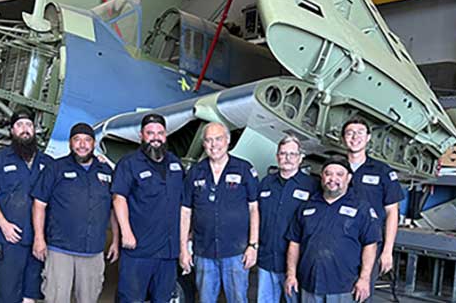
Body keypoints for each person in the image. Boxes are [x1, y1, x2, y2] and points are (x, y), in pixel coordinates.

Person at [31, 122, 120, 303]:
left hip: (93, 251)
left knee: (89, 299)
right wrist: (38, 239)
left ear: (94, 144)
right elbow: (39, 204)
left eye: (87, 140)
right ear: (70, 143)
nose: (82, 144)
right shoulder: (55, 168)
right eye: (77, 140)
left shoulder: (106, 171)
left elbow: (114, 209)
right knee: (56, 298)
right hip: (60, 250)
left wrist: (116, 241)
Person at [0, 108, 54, 303]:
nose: (25, 129)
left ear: (34, 131)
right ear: (12, 131)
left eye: (29, 125)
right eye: (20, 125)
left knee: (32, 292)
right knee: (7, 292)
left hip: (39, 239)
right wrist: (3, 224)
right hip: (10, 238)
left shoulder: (48, 163)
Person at [180, 122, 259, 303]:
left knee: (238, 299)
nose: (213, 145)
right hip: (204, 253)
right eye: (208, 140)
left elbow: (254, 209)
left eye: (218, 139)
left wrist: (253, 246)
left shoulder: (244, 169)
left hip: (236, 253)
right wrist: (183, 248)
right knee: (206, 300)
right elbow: (185, 212)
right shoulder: (195, 172)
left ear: (228, 141)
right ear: (204, 144)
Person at [284, 157, 381, 303]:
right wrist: (291, 274)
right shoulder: (307, 207)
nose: (333, 179)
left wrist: (364, 278)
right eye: (328, 174)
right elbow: (294, 243)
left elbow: (370, 244)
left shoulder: (361, 208)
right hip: (309, 285)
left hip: (344, 287)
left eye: (339, 174)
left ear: (349, 178)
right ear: (322, 176)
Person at [111, 113, 185, 303]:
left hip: (168, 252)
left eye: (160, 133)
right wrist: (126, 232)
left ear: (166, 135)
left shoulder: (176, 164)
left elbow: (185, 203)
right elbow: (119, 198)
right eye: (150, 133)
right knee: (131, 298)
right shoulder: (129, 164)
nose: (155, 138)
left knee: (163, 299)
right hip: (139, 250)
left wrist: (187, 235)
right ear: (141, 135)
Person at [342, 116, 404, 298]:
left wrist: (387, 251)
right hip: (339, 240)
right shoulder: (336, 169)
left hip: (370, 244)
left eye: (360, 132)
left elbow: (392, 212)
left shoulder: (382, 171)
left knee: (361, 291)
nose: (355, 137)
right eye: (350, 133)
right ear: (343, 138)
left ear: (368, 138)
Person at [257, 135, 319, 303]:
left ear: (300, 158)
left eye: (292, 154)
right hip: (267, 259)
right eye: (283, 154)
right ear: (277, 156)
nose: (287, 158)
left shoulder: (312, 186)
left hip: (296, 264)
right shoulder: (266, 183)